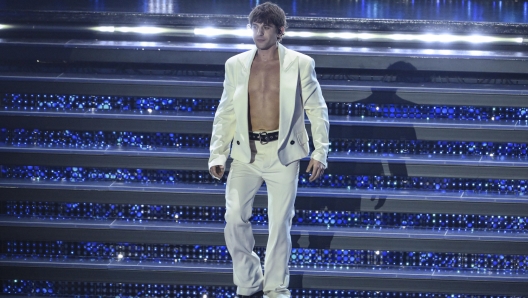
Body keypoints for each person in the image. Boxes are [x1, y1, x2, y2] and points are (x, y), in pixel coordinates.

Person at [208, 2, 329, 298]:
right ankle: (249, 282)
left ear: (280, 31)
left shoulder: (301, 63)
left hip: (283, 153)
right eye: (255, 27)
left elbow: (317, 109)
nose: (258, 33)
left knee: (279, 225)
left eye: (265, 27)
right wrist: (217, 153)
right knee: (234, 217)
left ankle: (275, 288)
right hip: (245, 153)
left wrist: (320, 151)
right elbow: (226, 112)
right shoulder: (235, 64)